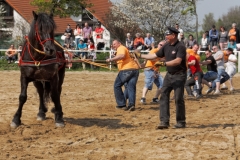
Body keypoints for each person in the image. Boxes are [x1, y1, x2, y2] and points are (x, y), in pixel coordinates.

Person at [135, 27, 187, 129]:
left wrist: (164, 63)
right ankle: (164, 121)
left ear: (174, 35)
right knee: (163, 95)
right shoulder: (166, 46)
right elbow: (154, 55)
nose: (166, 36)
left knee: (178, 98)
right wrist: (141, 55)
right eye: (166, 35)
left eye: (168, 35)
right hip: (170, 74)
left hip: (179, 74)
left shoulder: (180, 47)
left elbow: (178, 61)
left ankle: (181, 121)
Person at [106, 40, 139, 111]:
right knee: (131, 87)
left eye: (115, 44)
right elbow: (121, 57)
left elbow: (122, 55)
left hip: (127, 70)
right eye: (113, 44)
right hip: (135, 69)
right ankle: (131, 105)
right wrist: (115, 57)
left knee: (117, 85)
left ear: (119, 43)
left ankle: (122, 104)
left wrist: (111, 59)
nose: (113, 46)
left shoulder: (121, 48)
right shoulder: (122, 49)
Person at [140, 40, 166, 104]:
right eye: (160, 44)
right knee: (148, 83)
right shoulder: (154, 50)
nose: (161, 46)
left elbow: (164, 60)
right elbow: (149, 57)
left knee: (162, 84)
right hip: (149, 69)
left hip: (156, 70)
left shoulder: (163, 53)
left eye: (162, 45)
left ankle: (155, 98)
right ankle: (143, 98)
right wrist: (159, 59)